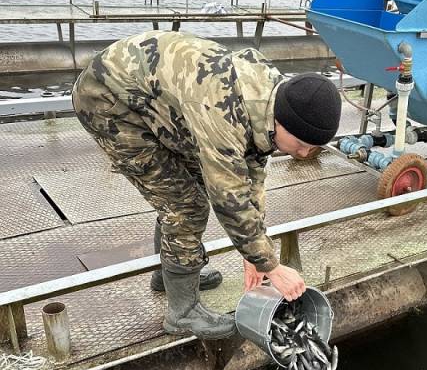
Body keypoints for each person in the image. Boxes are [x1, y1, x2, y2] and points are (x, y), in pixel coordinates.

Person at [71, 31, 341, 339]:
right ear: (282, 122)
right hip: (109, 99)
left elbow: (252, 177)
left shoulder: (274, 100)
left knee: (188, 192)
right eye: (302, 144)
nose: (305, 154)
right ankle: (182, 312)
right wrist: (273, 266)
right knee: (186, 204)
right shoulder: (225, 113)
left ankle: (167, 276)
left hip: (161, 100)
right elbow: (229, 198)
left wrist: (254, 256)